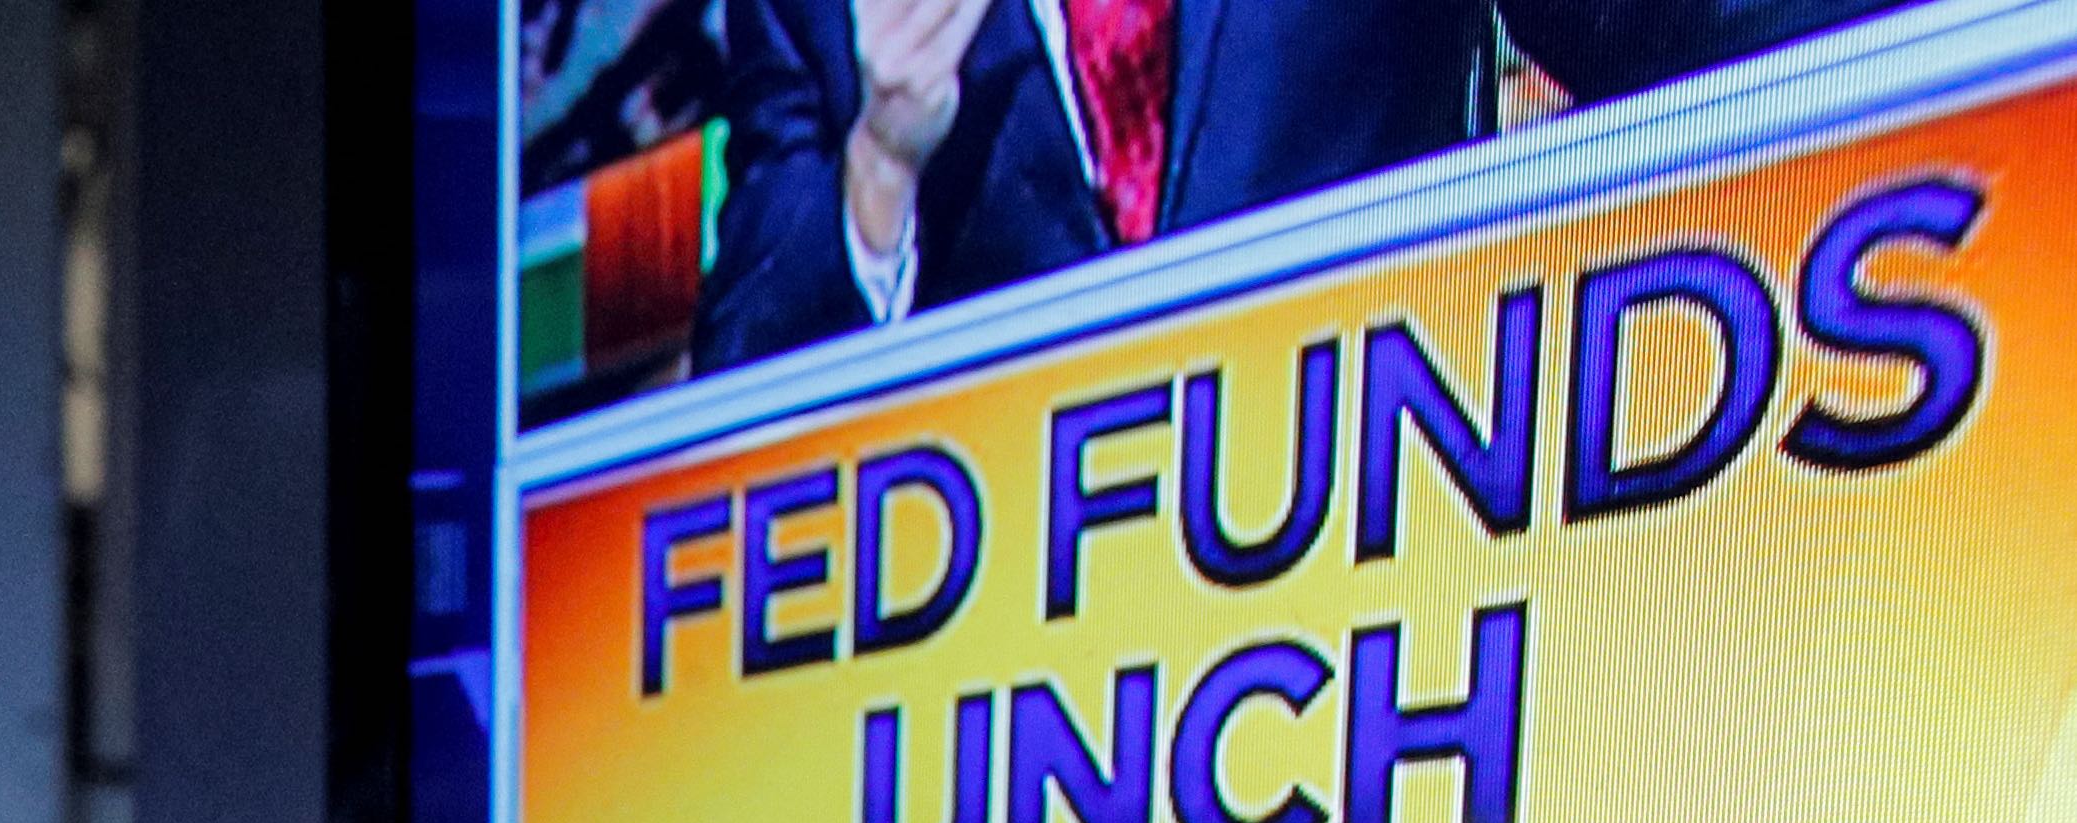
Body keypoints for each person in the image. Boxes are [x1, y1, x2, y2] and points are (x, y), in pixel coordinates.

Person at [695, 0, 1880, 369]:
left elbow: (1669, 26)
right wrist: (881, 164)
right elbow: (742, 374)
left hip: (1384, 605)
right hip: (1028, 736)